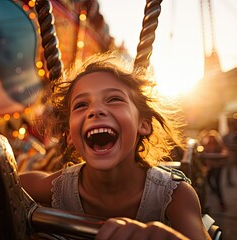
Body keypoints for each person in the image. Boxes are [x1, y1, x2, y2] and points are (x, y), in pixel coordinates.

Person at [20, 51, 210, 239]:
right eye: (81, 105)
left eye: (114, 99)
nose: (95, 110)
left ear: (143, 124)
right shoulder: (59, 188)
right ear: (69, 135)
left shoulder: (175, 195)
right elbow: (2, 181)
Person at [199, 129, 228, 211]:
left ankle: (222, 202)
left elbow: (224, 153)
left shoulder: (219, 146)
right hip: (210, 167)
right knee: (208, 181)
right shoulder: (206, 145)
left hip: (218, 167)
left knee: (218, 184)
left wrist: (214, 156)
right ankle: (215, 193)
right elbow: (202, 153)